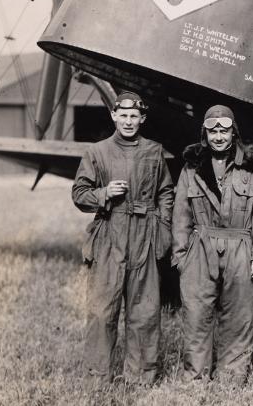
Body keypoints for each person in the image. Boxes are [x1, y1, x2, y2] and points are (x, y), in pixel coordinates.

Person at [71, 91, 175, 385]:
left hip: (144, 233)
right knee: (102, 310)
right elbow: (79, 194)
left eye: (135, 116)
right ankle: (97, 376)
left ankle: (141, 376)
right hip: (109, 234)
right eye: (124, 115)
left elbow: (166, 191)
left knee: (144, 310)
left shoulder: (154, 151)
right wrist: (104, 193)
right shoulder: (97, 152)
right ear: (114, 116)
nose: (129, 121)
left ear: (142, 119)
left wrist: (163, 227)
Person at [172, 104, 253, 384]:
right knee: (196, 315)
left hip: (240, 244)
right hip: (200, 246)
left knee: (240, 314)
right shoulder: (191, 168)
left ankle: (230, 379)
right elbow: (181, 214)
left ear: (233, 133)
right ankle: (195, 378)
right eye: (213, 130)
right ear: (205, 133)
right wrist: (181, 256)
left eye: (224, 130)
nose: (218, 136)